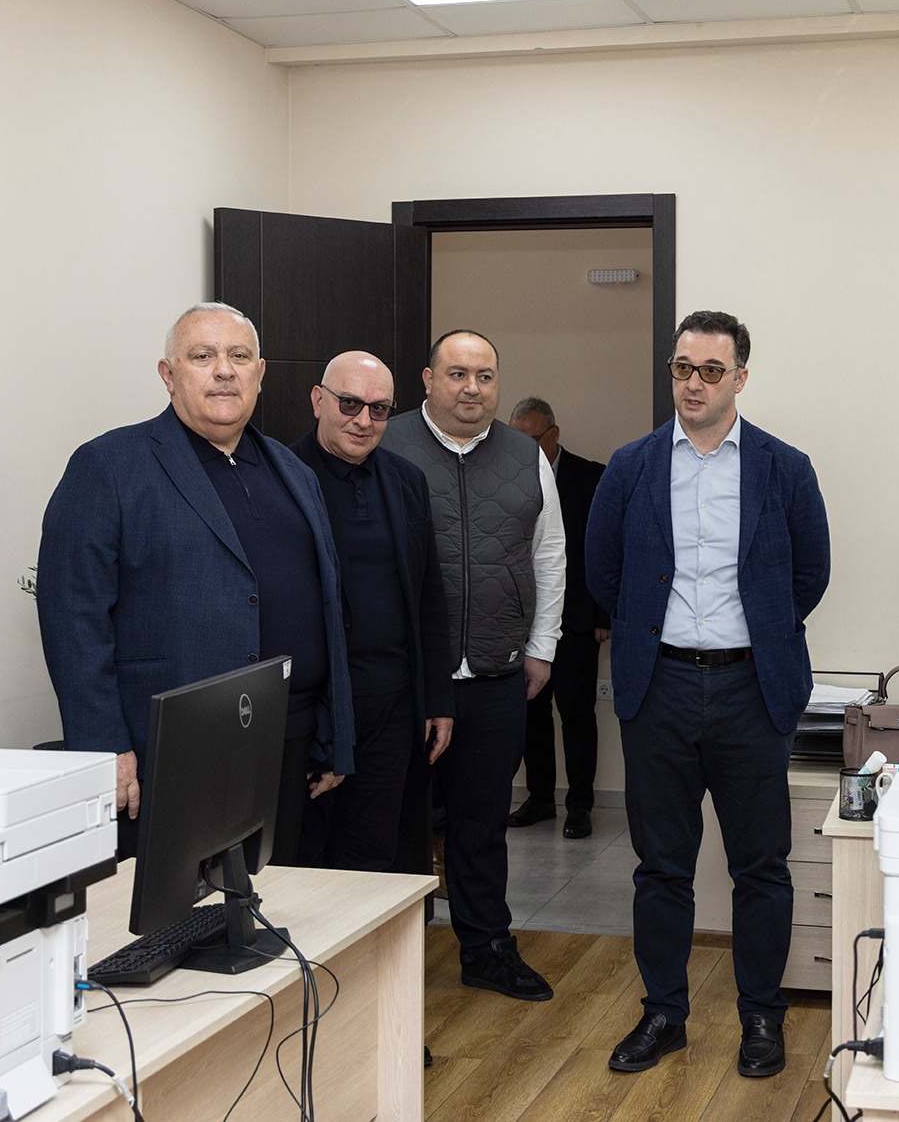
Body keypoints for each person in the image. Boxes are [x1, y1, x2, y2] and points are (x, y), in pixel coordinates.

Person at [586, 310, 831, 1079]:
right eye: (682, 368)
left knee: (761, 865)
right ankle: (664, 1014)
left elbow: (809, 574)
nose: (693, 383)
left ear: (740, 379)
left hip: (750, 689)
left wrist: (754, 632)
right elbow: (602, 571)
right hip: (657, 686)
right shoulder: (631, 466)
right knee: (661, 867)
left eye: (710, 371)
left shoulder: (784, 468)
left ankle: (761, 1016)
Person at [37, 302, 354, 863]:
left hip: (289, 738)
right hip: (172, 746)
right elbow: (73, 618)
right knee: (180, 907)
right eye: (203, 356)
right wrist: (104, 748)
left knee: (283, 898)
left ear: (261, 373)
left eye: (239, 356)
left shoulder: (295, 473)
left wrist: (335, 734)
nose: (224, 370)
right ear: (168, 374)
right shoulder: (108, 466)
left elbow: (327, 608)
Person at [379, 329, 565, 1002]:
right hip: (407, 681)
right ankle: (390, 964)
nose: (472, 388)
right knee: (398, 826)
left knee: (482, 824)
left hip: (495, 674)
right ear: (428, 380)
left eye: (485, 376)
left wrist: (542, 645)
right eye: (457, 374)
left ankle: (487, 950)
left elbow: (548, 553)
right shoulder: (387, 443)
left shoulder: (525, 455)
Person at [291, 350, 454, 871]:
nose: (363, 420)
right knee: (306, 861)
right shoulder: (282, 477)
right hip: (316, 711)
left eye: (379, 408)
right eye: (350, 403)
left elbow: (429, 595)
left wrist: (438, 698)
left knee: (377, 860)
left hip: (395, 708)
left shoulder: (407, 481)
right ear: (318, 401)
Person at [507, 396, 610, 840]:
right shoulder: (506, 475)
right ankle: (541, 798)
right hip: (522, 621)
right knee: (532, 715)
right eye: (516, 439)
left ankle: (580, 805)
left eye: (532, 439)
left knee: (577, 715)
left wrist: (605, 613)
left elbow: (606, 549)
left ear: (554, 434)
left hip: (578, 620)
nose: (524, 448)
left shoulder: (591, 477)